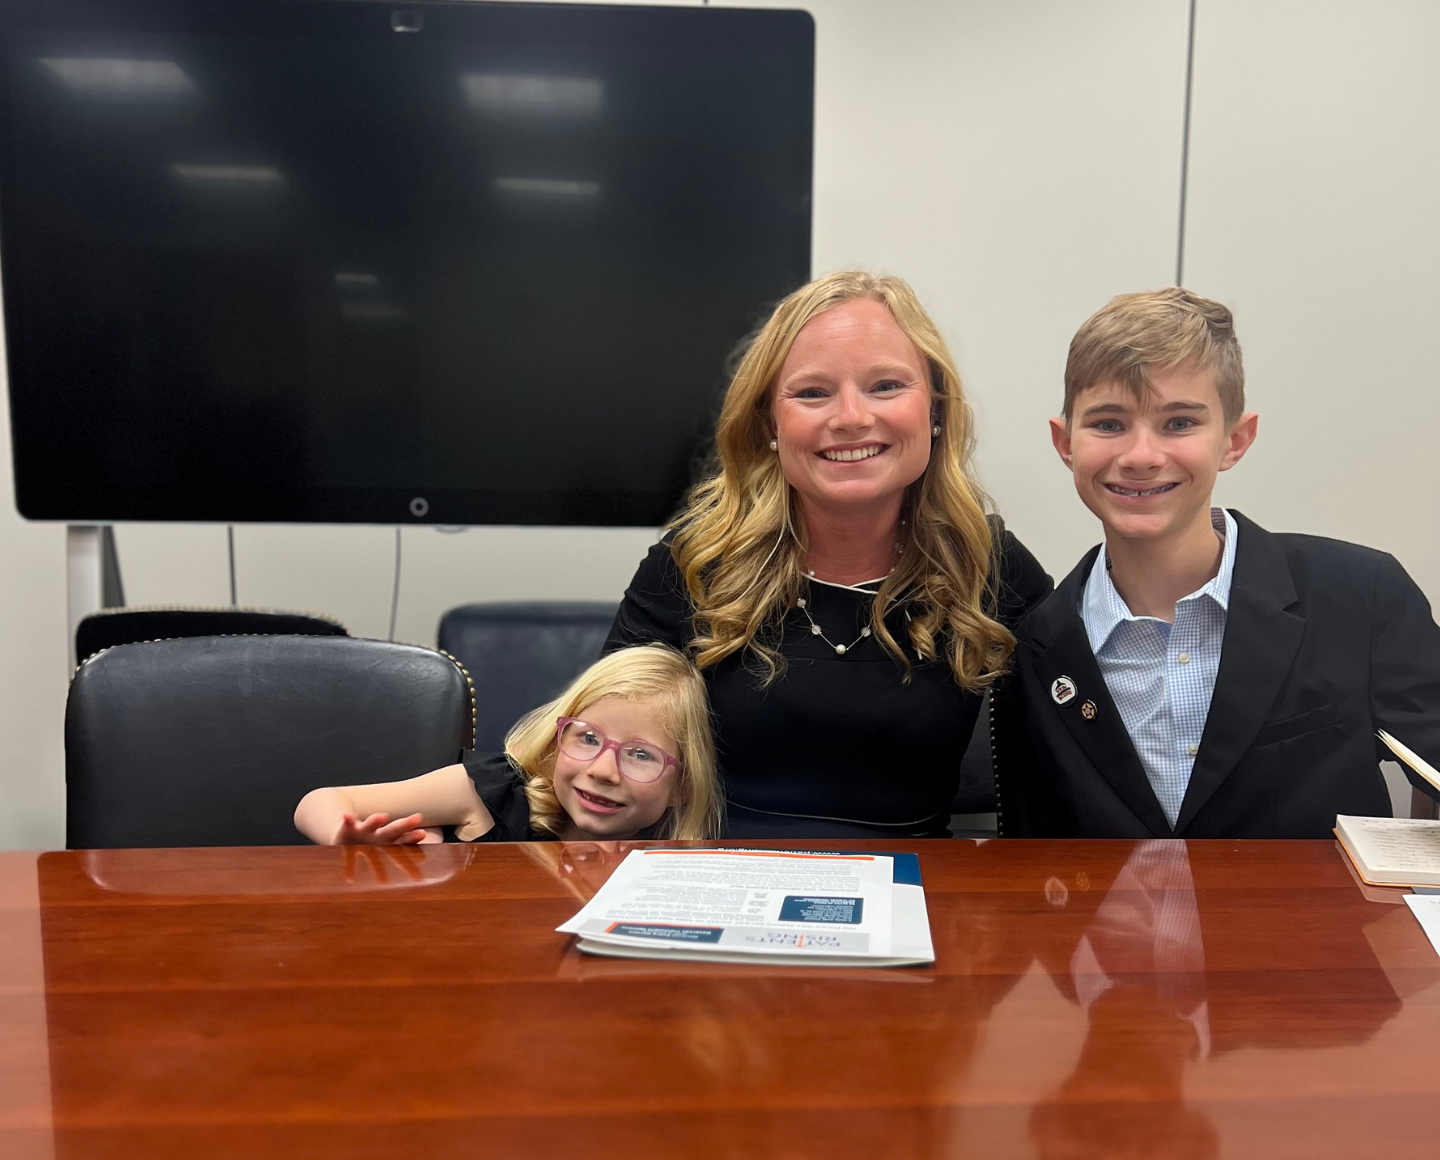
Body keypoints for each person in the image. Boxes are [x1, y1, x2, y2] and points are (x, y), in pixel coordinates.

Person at [605, 270, 1052, 838]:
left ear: (936, 410)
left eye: (886, 386)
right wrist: (474, 791)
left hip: (917, 899)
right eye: (813, 393)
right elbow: (595, 749)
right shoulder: (697, 559)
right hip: (716, 887)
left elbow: (1088, 754)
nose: (850, 417)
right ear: (770, 420)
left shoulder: (988, 565)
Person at [997, 287, 1440, 838]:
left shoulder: (1360, 597)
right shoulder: (1036, 645)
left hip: (1313, 925)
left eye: (1179, 423)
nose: (1141, 456)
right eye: (1108, 424)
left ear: (1235, 440)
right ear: (1066, 444)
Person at [293, 643, 722, 845]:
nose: (603, 770)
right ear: (557, 741)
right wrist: (343, 841)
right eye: (588, 738)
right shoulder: (491, 793)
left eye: (640, 755)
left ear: (683, 784)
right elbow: (320, 801)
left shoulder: (671, 857)